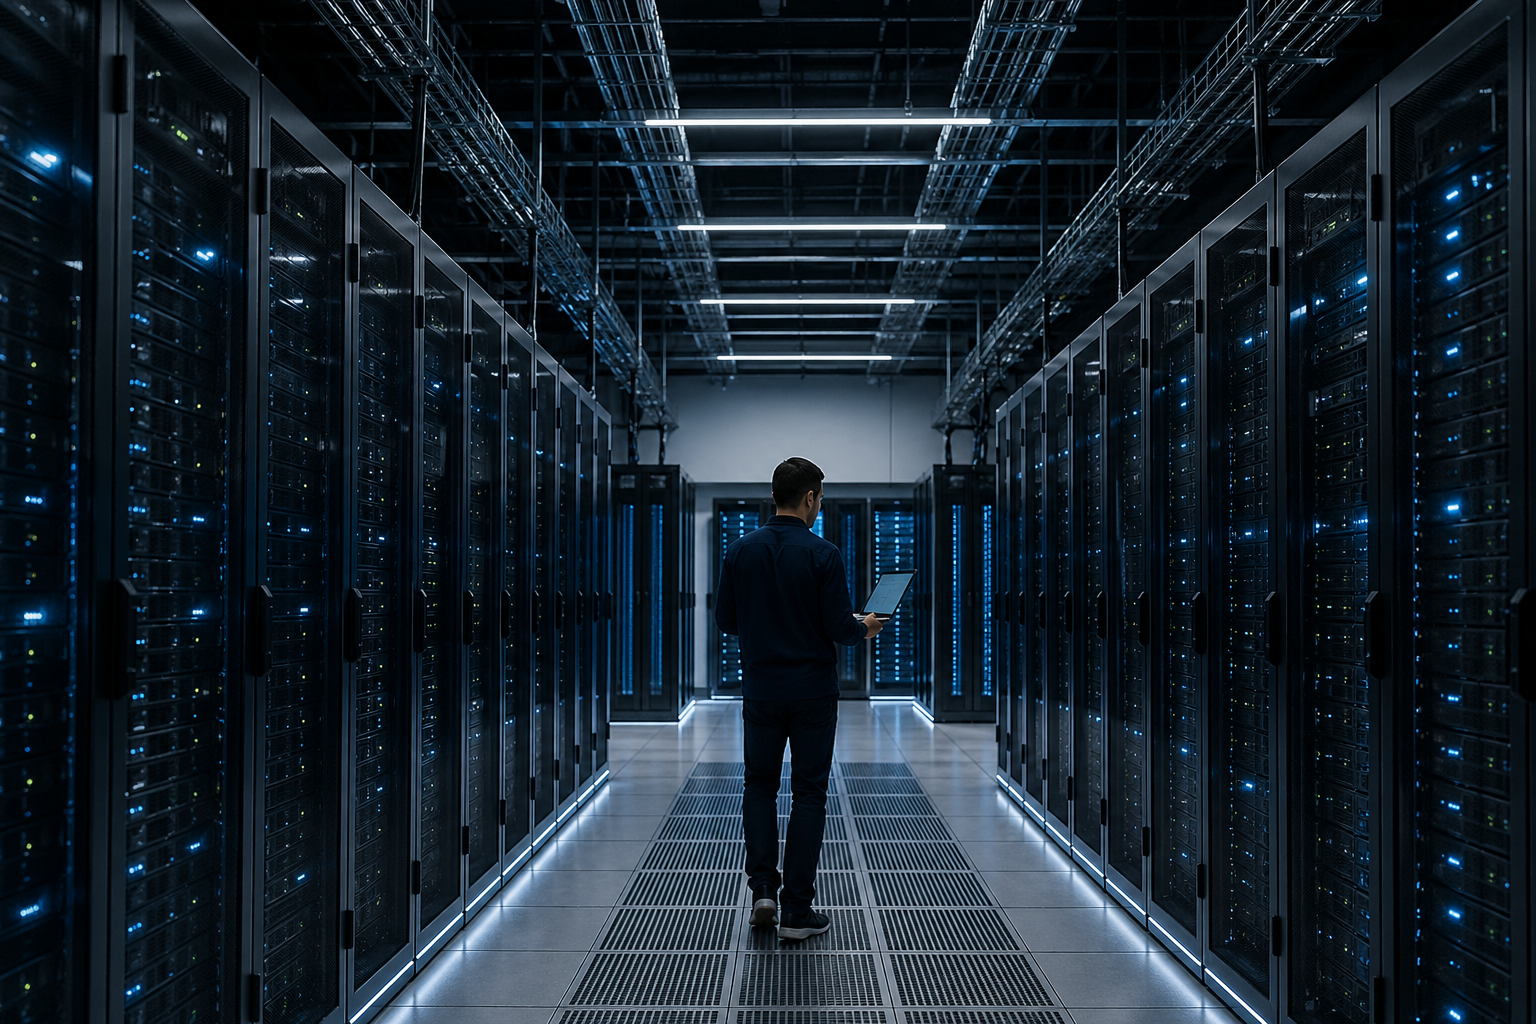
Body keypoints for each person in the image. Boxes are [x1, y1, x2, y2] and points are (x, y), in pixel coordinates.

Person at [714, 457, 884, 941]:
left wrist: (764, 622)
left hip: (762, 691)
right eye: (820, 500)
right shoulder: (823, 553)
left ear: (774, 496)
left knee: (759, 787)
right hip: (812, 694)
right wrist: (863, 627)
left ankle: (763, 889)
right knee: (809, 794)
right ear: (809, 498)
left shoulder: (740, 551)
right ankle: (796, 911)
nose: (819, 508)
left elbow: (726, 621)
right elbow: (838, 629)